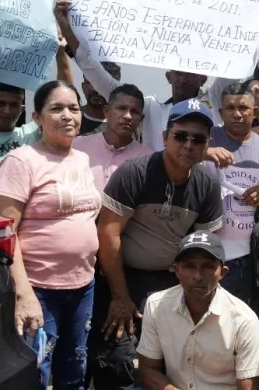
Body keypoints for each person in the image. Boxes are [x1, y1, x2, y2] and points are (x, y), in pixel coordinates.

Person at [89, 98, 224, 388]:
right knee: (119, 364)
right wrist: (119, 297)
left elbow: (203, 253)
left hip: (171, 284)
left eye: (198, 139)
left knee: (168, 362)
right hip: (123, 280)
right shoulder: (135, 172)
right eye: (180, 136)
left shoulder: (207, 187)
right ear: (165, 138)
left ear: (206, 145)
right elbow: (107, 234)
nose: (189, 144)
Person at [0, 80, 102, 390]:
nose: (68, 115)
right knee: (35, 373)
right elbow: (4, 233)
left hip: (82, 287)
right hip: (38, 289)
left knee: (74, 370)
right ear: (37, 118)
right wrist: (24, 295)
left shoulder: (81, 159)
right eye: (56, 109)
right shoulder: (21, 162)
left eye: (74, 108)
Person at [54, 0, 241, 152]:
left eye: (190, 73)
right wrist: (67, 29)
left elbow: (240, 60)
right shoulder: (151, 109)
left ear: (203, 78)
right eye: (177, 72)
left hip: (204, 188)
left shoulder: (215, 100)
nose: (183, 79)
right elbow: (100, 78)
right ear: (168, 77)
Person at [138, 231, 259, 390]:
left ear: (223, 272)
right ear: (176, 270)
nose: (197, 276)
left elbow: (248, 387)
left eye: (208, 267)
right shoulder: (156, 306)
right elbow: (147, 368)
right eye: (189, 266)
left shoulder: (243, 320)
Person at [205, 83, 259, 304]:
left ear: (254, 113)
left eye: (243, 108)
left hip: (257, 255)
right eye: (230, 108)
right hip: (217, 255)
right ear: (221, 112)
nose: (237, 114)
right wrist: (206, 152)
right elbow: (175, 153)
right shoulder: (207, 138)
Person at [72, 84, 151, 193]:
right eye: (121, 108)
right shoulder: (76, 147)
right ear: (106, 111)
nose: (128, 116)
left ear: (141, 119)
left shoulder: (149, 161)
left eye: (134, 111)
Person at [79, 62, 121, 135]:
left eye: (102, 83)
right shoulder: (70, 120)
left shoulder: (127, 126)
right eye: (90, 82)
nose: (95, 89)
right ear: (83, 86)